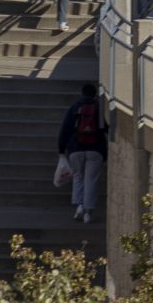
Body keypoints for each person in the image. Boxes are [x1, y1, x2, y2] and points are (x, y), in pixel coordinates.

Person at [57, 81, 106, 225]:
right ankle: (88, 213)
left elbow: (65, 128)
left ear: (82, 93)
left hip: (75, 148)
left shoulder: (75, 107)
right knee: (91, 180)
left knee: (78, 177)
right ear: (95, 94)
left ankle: (79, 206)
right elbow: (106, 128)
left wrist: (61, 150)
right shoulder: (99, 108)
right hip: (95, 149)